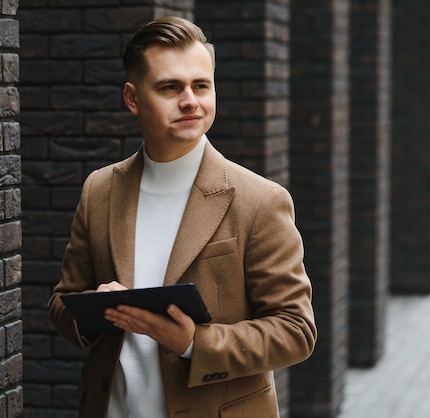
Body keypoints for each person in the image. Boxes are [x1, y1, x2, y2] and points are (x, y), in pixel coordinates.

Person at [48, 15, 316, 418]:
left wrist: (195, 342)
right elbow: (61, 305)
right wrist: (94, 309)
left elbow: (296, 331)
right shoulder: (100, 190)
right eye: (170, 87)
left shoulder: (260, 200)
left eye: (201, 85)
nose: (190, 99)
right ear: (133, 98)